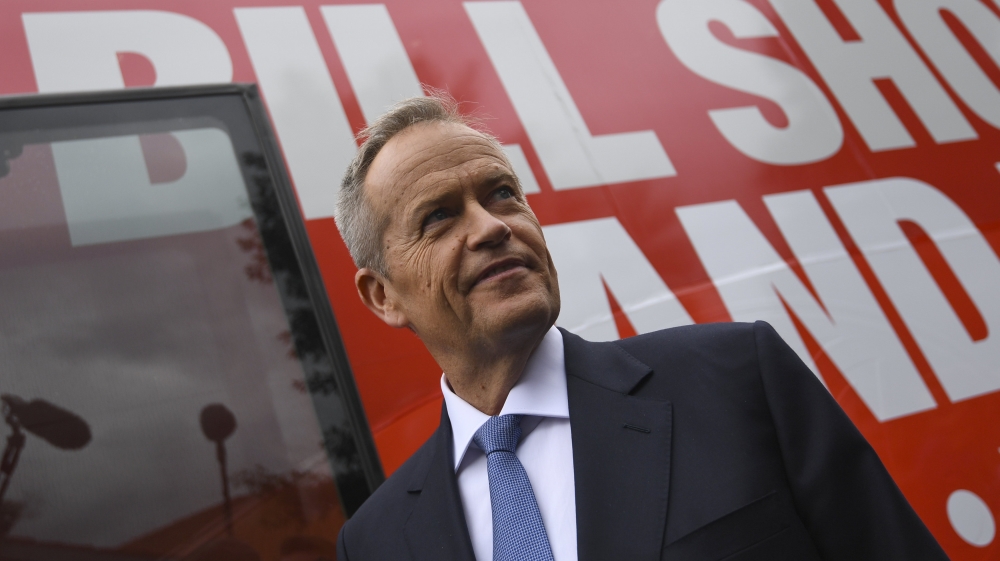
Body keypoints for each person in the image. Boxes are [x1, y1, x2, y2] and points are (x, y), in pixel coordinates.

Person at [332, 94, 948, 561]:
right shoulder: (375, 541)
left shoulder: (737, 380)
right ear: (383, 296)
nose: (492, 226)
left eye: (501, 194)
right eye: (439, 217)